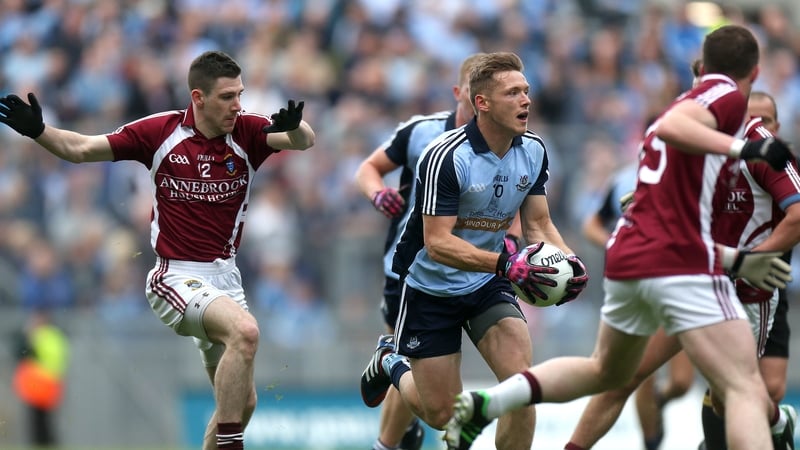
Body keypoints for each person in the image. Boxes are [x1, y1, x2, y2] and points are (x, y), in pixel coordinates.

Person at [443, 24, 797, 450]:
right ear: (752, 74)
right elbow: (674, 129)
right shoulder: (723, 98)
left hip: (632, 258)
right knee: (741, 388)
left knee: (606, 372)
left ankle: (492, 400)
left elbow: (669, 183)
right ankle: (766, 425)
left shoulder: (680, 117)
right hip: (681, 266)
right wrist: (747, 150)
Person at [0, 50, 315, 450]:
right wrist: (39, 131)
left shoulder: (248, 132)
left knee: (242, 402)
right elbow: (81, 149)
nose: (237, 105)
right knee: (246, 332)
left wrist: (296, 127)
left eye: (240, 94)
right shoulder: (159, 132)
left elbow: (304, 140)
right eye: (226, 97)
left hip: (226, 279)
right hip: (176, 276)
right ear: (197, 97)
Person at [358, 51, 589, 450]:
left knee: (521, 387)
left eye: (526, 91)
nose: (526, 100)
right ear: (481, 102)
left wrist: (568, 259)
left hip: (487, 284)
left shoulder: (533, 149)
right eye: (513, 93)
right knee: (441, 415)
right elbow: (439, 243)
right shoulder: (445, 156)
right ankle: (390, 361)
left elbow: (538, 224)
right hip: (430, 288)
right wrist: (506, 263)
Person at [353, 53, 485, 450]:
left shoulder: (507, 143)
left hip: (476, 272)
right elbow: (368, 169)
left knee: (431, 378)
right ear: (458, 92)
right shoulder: (421, 132)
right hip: (411, 271)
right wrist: (379, 194)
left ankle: (399, 434)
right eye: (472, 96)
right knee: (421, 371)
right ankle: (392, 439)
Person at [699, 90, 799, 449]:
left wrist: (754, 260)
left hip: (767, 289)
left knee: (762, 388)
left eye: (765, 119)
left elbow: (797, 218)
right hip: (715, 282)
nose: (757, 125)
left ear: (776, 125)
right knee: (727, 385)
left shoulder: (781, 164)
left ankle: (771, 421)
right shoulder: (715, 156)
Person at [580, 159, 695, 450]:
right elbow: (591, 224)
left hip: (678, 287)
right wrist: (615, 243)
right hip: (638, 288)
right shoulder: (624, 178)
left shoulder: (690, 173)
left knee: (682, 383)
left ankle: (660, 401)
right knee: (640, 374)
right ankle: (651, 442)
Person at [12, 309, 70, 448]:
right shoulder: (54, 336)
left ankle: (43, 444)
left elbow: (24, 354)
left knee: (40, 422)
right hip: (46, 383)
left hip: (42, 383)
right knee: (43, 421)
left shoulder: (41, 336)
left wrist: (29, 335)